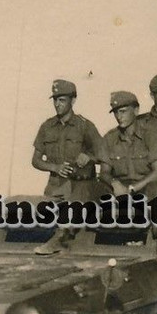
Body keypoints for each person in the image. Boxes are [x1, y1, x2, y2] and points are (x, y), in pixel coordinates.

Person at [100, 91, 157, 266]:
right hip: (118, 190)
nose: (119, 116)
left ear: (136, 110)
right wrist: (114, 183)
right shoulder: (110, 138)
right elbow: (104, 171)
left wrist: (132, 189)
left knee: (156, 189)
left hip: (145, 187)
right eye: (116, 112)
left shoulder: (150, 136)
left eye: (124, 111)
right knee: (91, 189)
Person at [32, 78, 105, 255]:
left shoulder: (84, 126)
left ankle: (61, 238)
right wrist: (54, 167)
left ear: (73, 101)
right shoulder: (47, 126)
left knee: (74, 212)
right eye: (55, 100)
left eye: (62, 100)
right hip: (55, 187)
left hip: (80, 187)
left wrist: (88, 157)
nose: (57, 104)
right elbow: (35, 160)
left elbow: (104, 154)